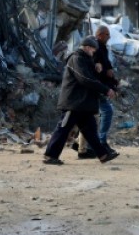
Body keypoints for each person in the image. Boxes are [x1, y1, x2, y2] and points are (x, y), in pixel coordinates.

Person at [43, 36, 118, 165]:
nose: (93, 53)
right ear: (88, 48)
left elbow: (91, 77)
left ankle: (103, 155)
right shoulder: (76, 59)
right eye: (93, 50)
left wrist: (97, 70)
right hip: (73, 102)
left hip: (83, 104)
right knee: (63, 129)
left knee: (91, 131)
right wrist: (106, 90)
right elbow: (85, 79)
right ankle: (50, 155)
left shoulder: (85, 60)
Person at [77, 25, 119, 159]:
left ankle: (82, 146)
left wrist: (110, 74)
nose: (109, 37)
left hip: (100, 86)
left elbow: (105, 64)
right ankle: (99, 142)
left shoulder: (102, 47)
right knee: (106, 112)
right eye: (107, 35)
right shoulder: (92, 50)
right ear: (100, 35)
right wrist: (103, 76)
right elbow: (92, 69)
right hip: (98, 87)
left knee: (87, 118)